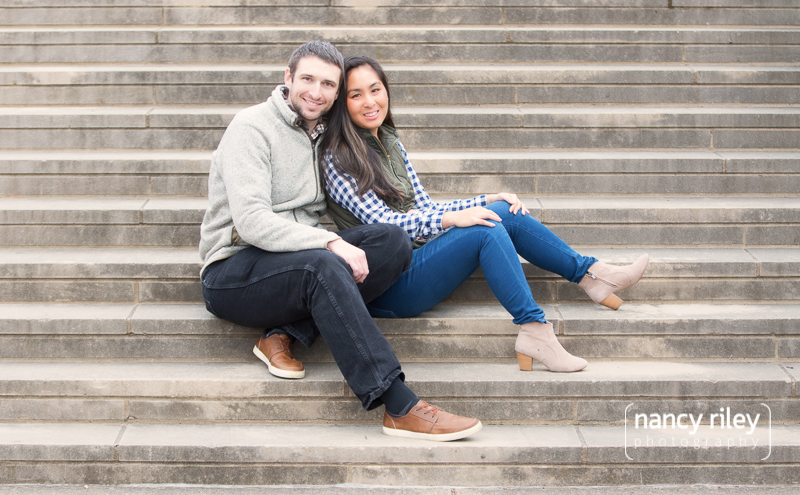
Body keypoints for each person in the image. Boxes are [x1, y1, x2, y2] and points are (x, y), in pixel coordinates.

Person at [198, 41, 482, 441]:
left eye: (328, 84)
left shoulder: (322, 134)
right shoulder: (252, 128)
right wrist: (330, 243)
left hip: (294, 264)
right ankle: (398, 404)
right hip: (234, 270)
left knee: (392, 240)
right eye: (308, 79)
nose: (316, 92)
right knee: (325, 262)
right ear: (288, 78)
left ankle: (287, 333)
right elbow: (252, 222)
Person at [322, 55, 650, 373]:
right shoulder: (337, 159)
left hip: (419, 261)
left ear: (386, 91)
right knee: (485, 229)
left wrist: (485, 199)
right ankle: (535, 328)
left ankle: (592, 275)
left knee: (502, 210)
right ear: (342, 104)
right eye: (356, 94)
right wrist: (454, 219)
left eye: (375, 89)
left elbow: (425, 208)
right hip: (387, 286)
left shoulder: (390, 142)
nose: (370, 101)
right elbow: (387, 224)